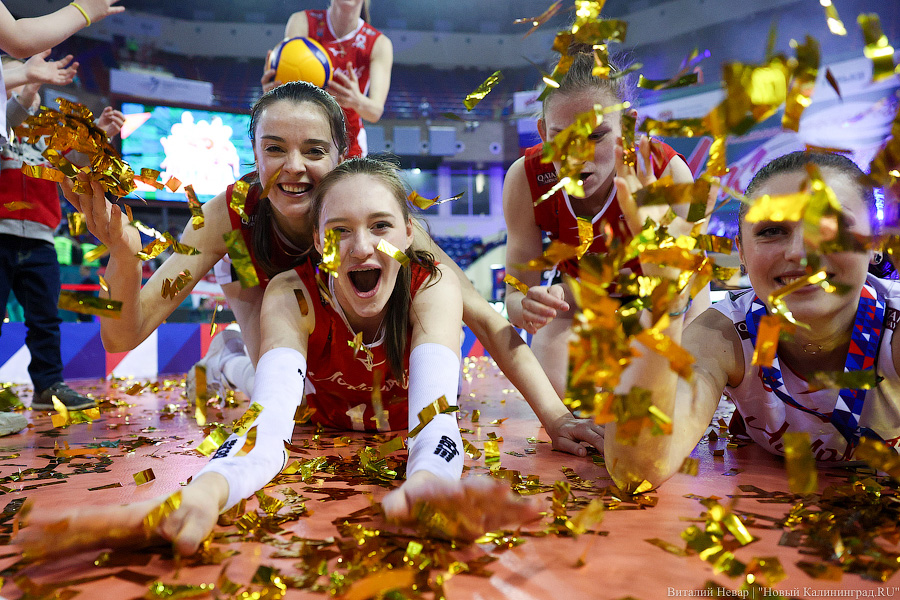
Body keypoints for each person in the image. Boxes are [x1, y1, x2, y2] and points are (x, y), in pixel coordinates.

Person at [18, 157, 541, 557]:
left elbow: (438, 417)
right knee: (263, 378)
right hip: (293, 352)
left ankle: (230, 359)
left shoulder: (432, 281)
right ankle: (226, 360)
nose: (361, 247)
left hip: (344, 370)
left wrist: (430, 484)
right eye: (339, 231)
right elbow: (263, 427)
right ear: (316, 239)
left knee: (263, 368)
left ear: (409, 231)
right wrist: (205, 490)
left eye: (381, 226)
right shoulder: (252, 246)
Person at [63, 81, 604, 457]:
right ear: (254, 155)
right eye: (274, 149)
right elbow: (120, 336)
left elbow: (483, 316)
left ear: (342, 159)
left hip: (330, 312)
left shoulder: (380, 218)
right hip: (258, 286)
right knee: (286, 400)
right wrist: (124, 259)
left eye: (314, 150)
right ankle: (227, 357)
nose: (294, 167)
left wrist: (557, 418)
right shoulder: (226, 216)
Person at [605, 151, 900, 491]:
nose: (800, 252)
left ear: (875, 242)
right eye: (772, 230)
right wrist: (663, 300)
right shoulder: (722, 335)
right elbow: (635, 472)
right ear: (742, 252)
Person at [502, 50, 699, 399]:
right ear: (543, 132)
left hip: (666, 305)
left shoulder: (666, 173)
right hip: (581, 304)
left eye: (596, 136)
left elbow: (690, 288)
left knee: (656, 399)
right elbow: (515, 298)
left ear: (628, 126)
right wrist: (530, 307)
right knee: (557, 393)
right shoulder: (525, 179)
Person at [0, 55, 123, 417]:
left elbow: (76, 165)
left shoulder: (48, 134)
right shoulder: (4, 123)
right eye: (15, 80)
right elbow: (12, 113)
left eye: (30, 83)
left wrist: (99, 134)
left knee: (46, 320)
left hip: (41, 239)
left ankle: (48, 387)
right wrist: (25, 88)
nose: (26, 87)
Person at [261, 0, 392, 157]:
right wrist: (275, 92)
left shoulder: (379, 43)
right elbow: (289, 90)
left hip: (348, 143)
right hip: (302, 138)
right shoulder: (302, 21)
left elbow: (375, 112)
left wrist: (356, 101)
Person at [0, 0, 123, 144]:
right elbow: (20, 39)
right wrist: (84, 10)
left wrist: (96, 135)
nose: (27, 91)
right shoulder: (13, 127)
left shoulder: (39, 137)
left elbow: (68, 159)